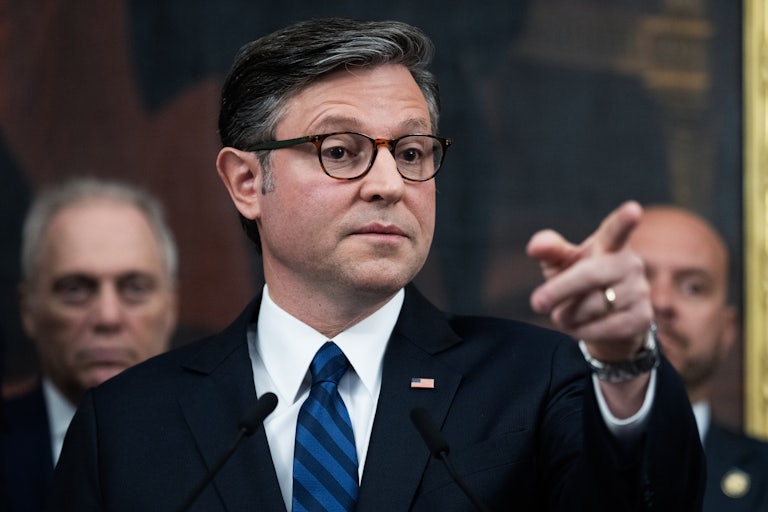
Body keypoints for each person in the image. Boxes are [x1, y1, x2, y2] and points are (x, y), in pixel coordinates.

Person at [50, 18, 703, 511]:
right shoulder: (127, 424)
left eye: (414, 152)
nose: (389, 182)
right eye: (342, 150)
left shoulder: (538, 385)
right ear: (247, 181)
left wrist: (624, 360)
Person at [1, 177, 179, 512]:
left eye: (135, 288)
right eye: (75, 289)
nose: (107, 317)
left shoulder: (237, 443)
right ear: (29, 309)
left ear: (171, 306)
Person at [628, 205, 768, 511]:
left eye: (693, 287)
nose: (661, 301)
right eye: (637, 277)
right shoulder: (527, 460)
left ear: (727, 329)